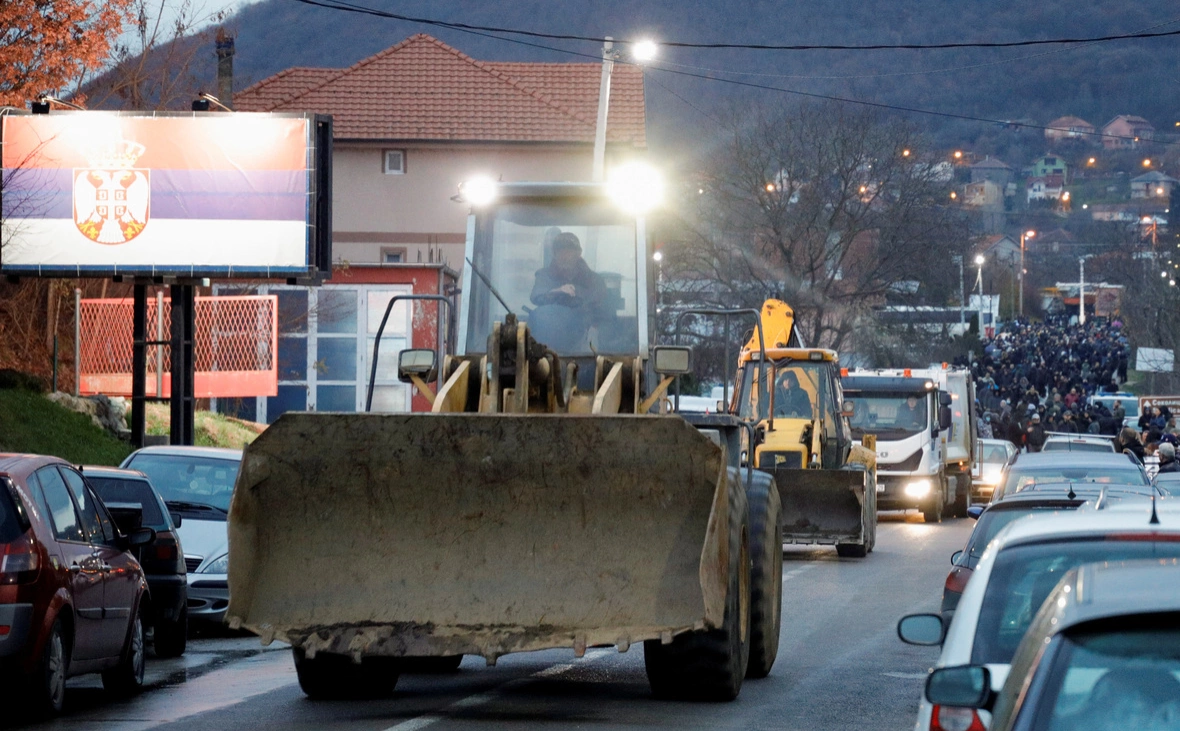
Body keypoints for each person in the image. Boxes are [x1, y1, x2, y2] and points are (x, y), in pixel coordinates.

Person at [528, 232, 608, 352]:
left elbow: (602, 309)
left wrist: (578, 298)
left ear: (578, 253)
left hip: (583, 338)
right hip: (547, 342)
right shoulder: (544, 276)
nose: (564, 256)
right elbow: (536, 296)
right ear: (554, 254)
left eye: (569, 251)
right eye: (560, 251)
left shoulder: (594, 281)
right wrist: (557, 291)